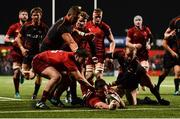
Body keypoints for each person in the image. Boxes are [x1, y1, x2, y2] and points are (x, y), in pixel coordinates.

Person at [16, 7, 49, 99]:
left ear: (41, 16)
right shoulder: (26, 26)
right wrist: (22, 49)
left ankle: (34, 94)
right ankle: (22, 74)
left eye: (38, 14)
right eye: (34, 15)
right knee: (28, 77)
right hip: (27, 53)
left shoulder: (44, 27)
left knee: (38, 75)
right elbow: (18, 38)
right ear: (31, 16)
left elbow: (48, 41)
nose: (36, 16)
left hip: (38, 55)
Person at [85, 8, 115, 83]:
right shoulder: (87, 25)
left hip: (100, 54)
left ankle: (100, 93)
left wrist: (110, 55)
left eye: (99, 17)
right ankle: (90, 93)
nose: (98, 19)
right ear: (92, 16)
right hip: (89, 54)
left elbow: (112, 41)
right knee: (89, 75)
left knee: (98, 75)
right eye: (96, 17)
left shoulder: (105, 27)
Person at [4, 9, 29, 98]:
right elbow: (6, 38)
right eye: (23, 14)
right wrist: (12, 40)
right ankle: (17, 92)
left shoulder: (30, 26)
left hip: (26, 53)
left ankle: (22, 74)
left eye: (26, 14)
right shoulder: (14, 27)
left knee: (27, 74)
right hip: (16, 53)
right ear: (19, 16)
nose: (25, 16)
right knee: (15, 74)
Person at [156, 15, 180, 95]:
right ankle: (157, 86)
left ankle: (177, 90)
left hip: (178, 55)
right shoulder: (172, 32)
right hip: (169, 55)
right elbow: (164, 43)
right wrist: (172, 52)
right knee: (165, 73)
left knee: (178, 71)